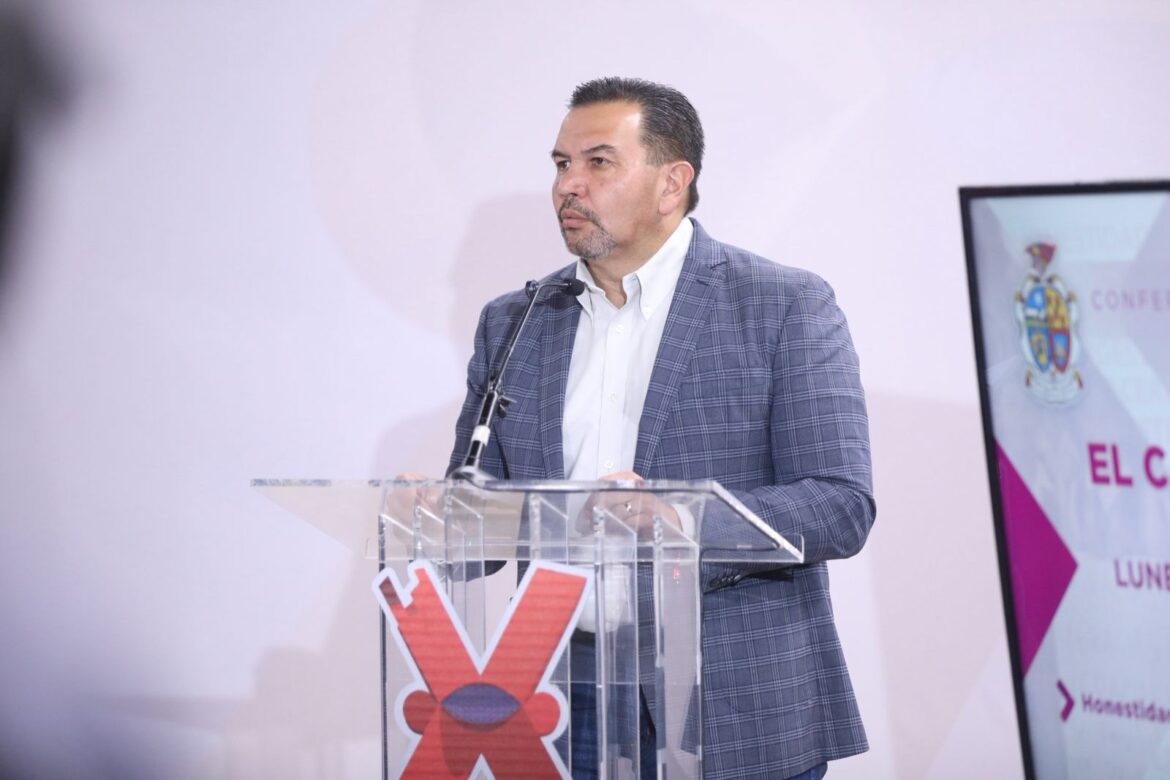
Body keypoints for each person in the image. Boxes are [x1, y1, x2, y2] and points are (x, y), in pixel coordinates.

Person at [445, 77, 875, 780]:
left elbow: (839, 506)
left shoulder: (782, 305)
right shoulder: (516, 321)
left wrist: (679, 519)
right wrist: (431, 517)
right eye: (561, 164)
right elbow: (477, 518)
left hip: (732, 698)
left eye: (598, 162)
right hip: (564, 700)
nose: (568, 185)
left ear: (672, 183)